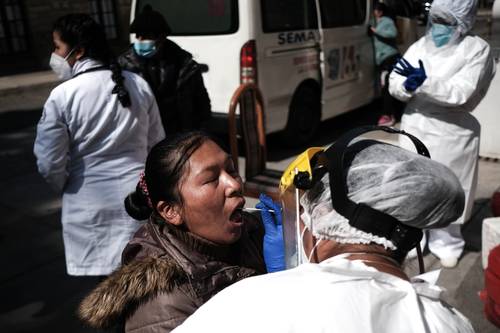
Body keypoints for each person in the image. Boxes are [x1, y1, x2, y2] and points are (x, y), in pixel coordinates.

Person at [171, 127, 475, 333]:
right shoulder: (448, 321)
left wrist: (278, 283)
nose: (234, 185)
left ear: (324, 214)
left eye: (300, 211)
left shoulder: (244, 306)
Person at [78, 132, 283, 332]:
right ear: (171, 211)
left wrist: (295, 251)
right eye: (211, 179)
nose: (234, 184)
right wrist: (281, 283)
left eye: (231, 169)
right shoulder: (165, 307)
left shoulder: (253, 231)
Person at [33, 14, 165, 276]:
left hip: (88, 204)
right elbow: (157, 146)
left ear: (78, 50)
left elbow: (49, 162)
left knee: (102, 300)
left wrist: (68, 187)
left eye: (58, 47)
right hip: (137, 199)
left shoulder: (63, 95)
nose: (55, 55)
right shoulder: (138, 84)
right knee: (142, 287)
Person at [389, 0, 495, 267]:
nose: (439, 28)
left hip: (451, 129)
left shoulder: (476, 49)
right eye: (436, 20)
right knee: (414, 188)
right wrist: (407, 87)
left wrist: (424, 83)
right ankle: (415, 238)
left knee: (449, 187)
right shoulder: (420, 46)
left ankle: (447, 242)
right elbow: (395, 81)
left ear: (463, 23)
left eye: (447, 22)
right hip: (415, 125)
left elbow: (462, 92)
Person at [118, 5, 211, 134]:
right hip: (143, 138)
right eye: (138, 36)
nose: (139, 41)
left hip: (178, 136)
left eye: (146, 37)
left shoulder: (184, 65)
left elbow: (201, 104)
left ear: (161, 38)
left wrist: (201, 134)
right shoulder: (124, 66)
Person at [368, 2, 402, 126]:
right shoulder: (376, 21)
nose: (374, 12)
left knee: (388, 87)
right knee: (387, 87)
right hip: (383, 59)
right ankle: (395, 113)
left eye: (376, 10)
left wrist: (375, 31)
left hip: (390, 57)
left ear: (380, 11)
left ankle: (389, 115)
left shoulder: (386, 21)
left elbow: (393, 34)